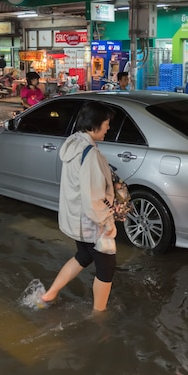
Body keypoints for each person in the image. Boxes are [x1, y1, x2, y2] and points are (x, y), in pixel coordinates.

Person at [41, 101, 117, 312]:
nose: (108, 128)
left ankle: (49, 295)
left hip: (76, 219)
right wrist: (107, 222)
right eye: (106, 123)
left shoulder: (74, 143)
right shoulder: (90, 154)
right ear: (95, 124)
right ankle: (99, 314)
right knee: (106, 267)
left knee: (83, 256)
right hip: (90, 222)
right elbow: (92, 196)